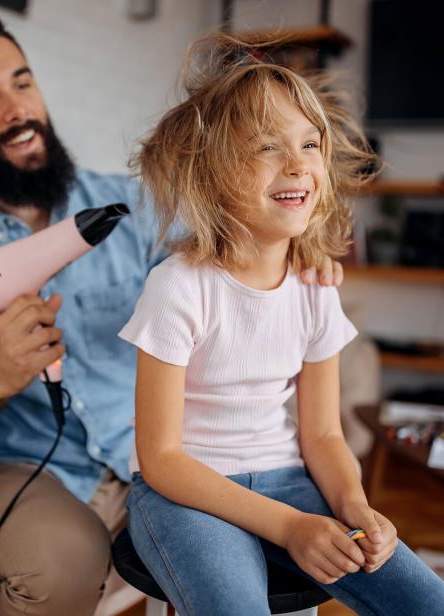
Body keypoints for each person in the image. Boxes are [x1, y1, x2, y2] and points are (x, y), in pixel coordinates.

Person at [0, 12, 346, 616]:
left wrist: (304, 251)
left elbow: (241, 242)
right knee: (62, 559)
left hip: (152, 453)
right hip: (27, 467)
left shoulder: (135, 206)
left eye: (22, 83)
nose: (16, 109)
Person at [118, 32, 444, 616]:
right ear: (213, 173)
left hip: (288, 476)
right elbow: (161, 456)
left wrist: (354, 506)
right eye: (267, 147)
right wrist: (292, 526)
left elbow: (322, 435)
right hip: (183, 493)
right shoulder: (177, 287)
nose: (297, 164)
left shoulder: (316, 288)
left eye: (309, 144)